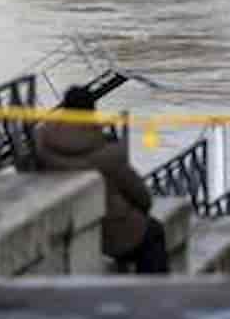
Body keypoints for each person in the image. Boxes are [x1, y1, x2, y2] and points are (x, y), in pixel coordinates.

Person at [34, 86, 169, 273]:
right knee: (154, 233)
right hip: (109, 230)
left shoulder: (43, 142)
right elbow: (142, 197)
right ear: (92, 112)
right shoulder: (105, 151)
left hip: (59, 223)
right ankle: (155, 296)